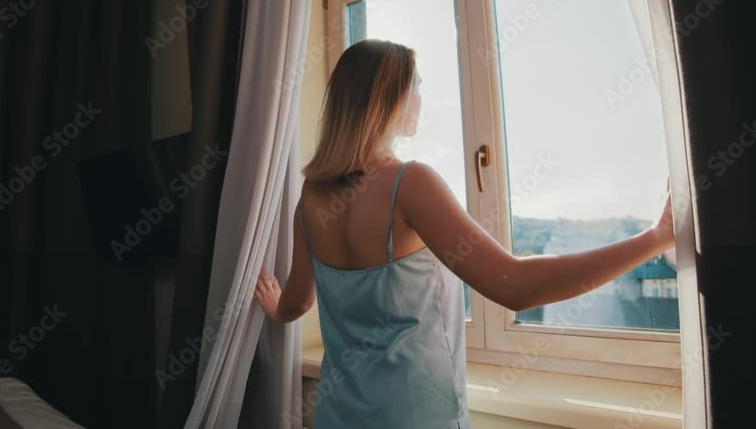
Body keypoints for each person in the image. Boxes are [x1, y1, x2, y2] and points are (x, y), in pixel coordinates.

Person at [253, 39, 675, 429]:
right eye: (415, 85)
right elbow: (516, 286)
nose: (420, 96)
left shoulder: (311, 199)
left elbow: (297, 301)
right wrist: (655, 238)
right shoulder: (410, 184)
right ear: (388, 98)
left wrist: (273, 307)